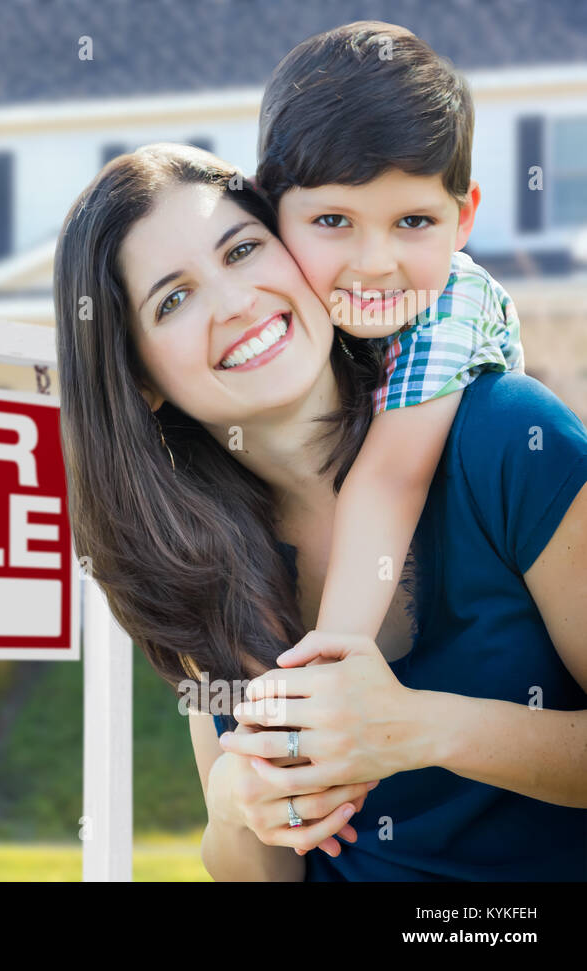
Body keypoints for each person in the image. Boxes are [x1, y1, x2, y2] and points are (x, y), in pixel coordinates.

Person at [53, 141, 587, 880]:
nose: (236, 302)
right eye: (173, 299)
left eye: (243, 249)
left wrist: (422, 729)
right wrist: (239, 806)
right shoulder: (195, 556)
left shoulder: (505, 437)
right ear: (139, 378)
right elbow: (261, 866)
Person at [254, 22, 524, 643]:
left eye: (412, 220)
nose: (375, 262)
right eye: (332, 219)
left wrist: (333, 656)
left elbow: (391, 481)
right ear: (271, 212)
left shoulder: (454, 303)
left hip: (477, 572)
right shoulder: (286, 305)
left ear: (463, 219)